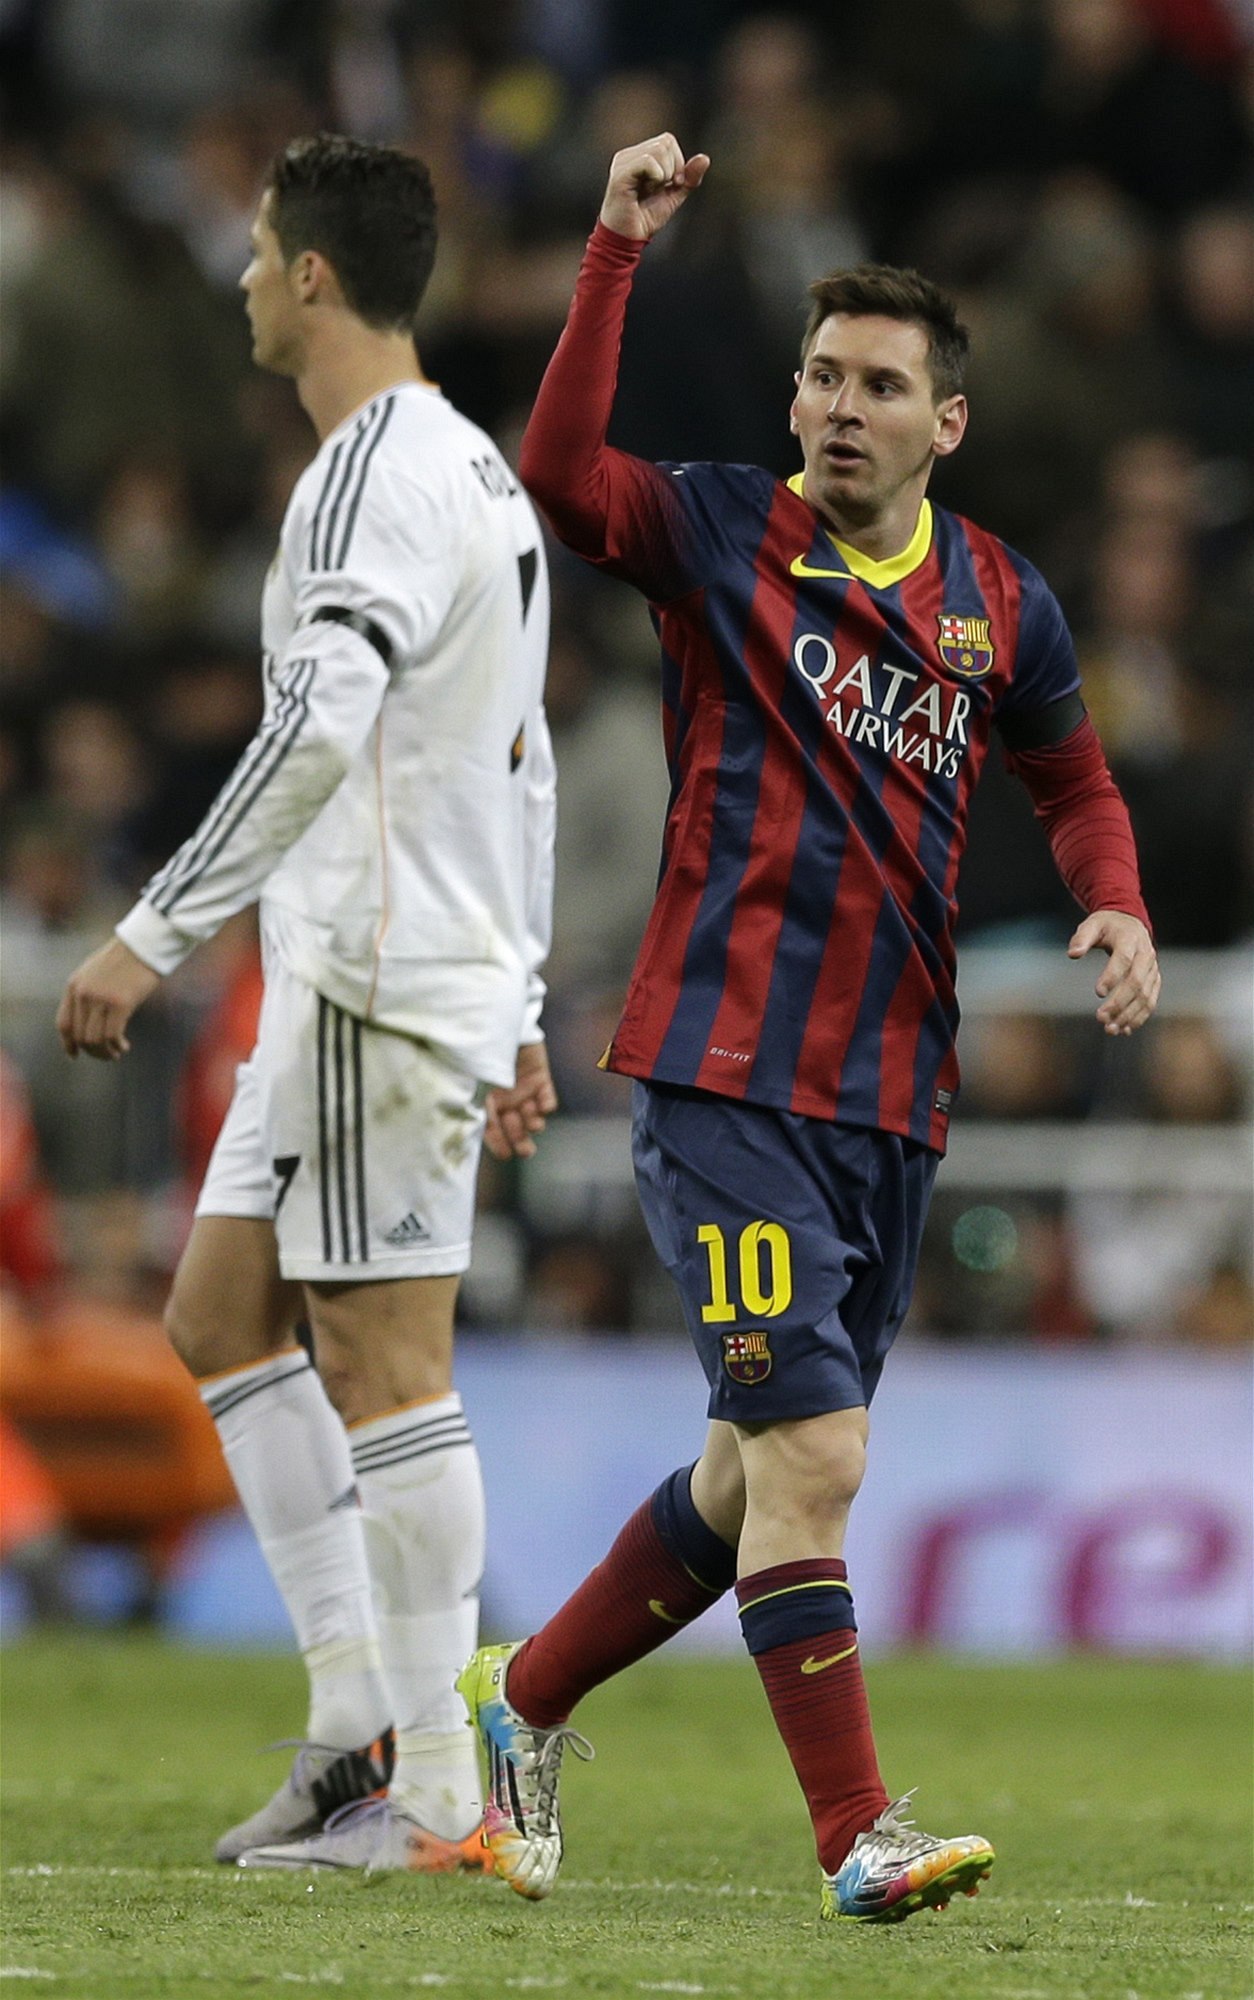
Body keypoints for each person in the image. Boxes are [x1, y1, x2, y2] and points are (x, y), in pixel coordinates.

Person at [456, 134, 1160, 1925]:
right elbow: (556, 472)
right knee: (817, 1459)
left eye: (880, 386)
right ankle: (855, 1834)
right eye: (823, 377)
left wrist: (1114, 897)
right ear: (793, 398)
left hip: (888, 1097)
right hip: (724, 1069)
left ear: (946, 424)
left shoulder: (998, 601)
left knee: (740, 1474)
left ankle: (519, 1698)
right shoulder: (715, 531)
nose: (843, 407)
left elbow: (1074, 780)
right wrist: (610, 249)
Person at [57, 134, 557, 1875]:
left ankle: (441, 1791)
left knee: (385, 1364)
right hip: (387, 965)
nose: (246, 277)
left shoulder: (364, 478)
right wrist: (525, 993)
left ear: (318, 277)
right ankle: (355, 1728)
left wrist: (152, 932)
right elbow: (517, 753)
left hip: (372, 966)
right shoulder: (478, 474)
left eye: (264, 253)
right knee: (219, 1317)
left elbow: (321, 721)